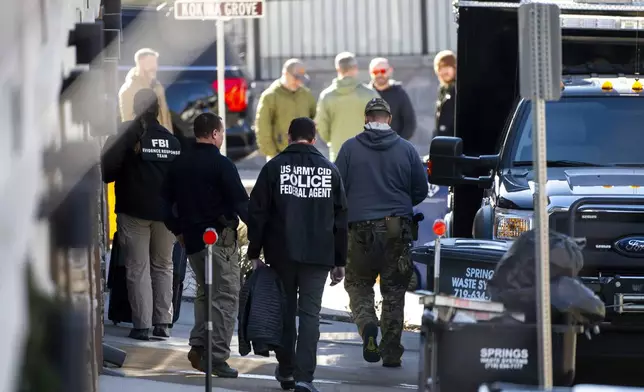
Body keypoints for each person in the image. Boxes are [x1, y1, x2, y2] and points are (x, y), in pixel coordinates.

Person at [247, 117, 348, 392]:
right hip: (319, 256)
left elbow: (257, 214)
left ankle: (287, 371)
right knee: (310, 315)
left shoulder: (273, 168)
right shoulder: (330, 171)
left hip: (282, 254)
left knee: (285, 311)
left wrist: (254, 252)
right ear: (314, 139)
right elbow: (340, 220)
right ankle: (305, 378)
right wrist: (340, 261)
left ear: (289, 137)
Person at [334, 98, 428, 368]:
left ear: (366, 119)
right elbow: (420, 189)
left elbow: (336, 189)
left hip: (360, 229)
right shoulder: (407, 150)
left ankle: (367, 326)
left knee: (358, 283)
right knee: (394, 290)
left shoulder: (349, 149)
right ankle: (391, 352)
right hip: (397, 228)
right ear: (388, 119)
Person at [162, 112, 249, 378]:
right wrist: (262, 233)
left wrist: (178, 231)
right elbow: (241, 203)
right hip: (220, 242)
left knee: (205, 293)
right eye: (221, 133)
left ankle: (199, 347)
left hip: (193, 242)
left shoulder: (179, 163)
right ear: (214, 134)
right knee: (224, 297)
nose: (222, 137)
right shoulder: (221, 165)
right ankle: (217, 357)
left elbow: (164, 204)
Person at [101, 89, 182, 340]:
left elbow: (107, 170)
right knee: (163, 266)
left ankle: (142, 326)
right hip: (166, 215)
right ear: (158, 110)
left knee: (138, 267)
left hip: (133, 210)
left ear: (135, 108)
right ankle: (163, 323)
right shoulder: (171, 139)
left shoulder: (125, 133)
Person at [315, 52, 379, 161]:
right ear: (355, 68)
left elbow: (321, 126)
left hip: (338, 151)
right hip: (366, 151)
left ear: (338, 69)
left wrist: (332, 140)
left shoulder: (326, 96)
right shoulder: (370, 94)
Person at [255, 58, 317, 161]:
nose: (298, 82)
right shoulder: (270, 96)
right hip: (279, 154)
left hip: (304, 154)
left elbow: (315, 118)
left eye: (301, 78)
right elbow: (262, 126)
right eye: (296, 77)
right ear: (285, 73)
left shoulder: (306, 95)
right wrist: (272, 153)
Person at [119, 48, 173, 132]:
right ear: (140, 62)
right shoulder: (129, 89)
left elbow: (165, 116)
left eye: (156, 62)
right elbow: (128, 122)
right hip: (144, 140)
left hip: (163, 139)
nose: (155, 67)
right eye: (151, 62)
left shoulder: (158, 87)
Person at [368, 57, 417, 140]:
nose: (379, 75)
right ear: (370, 73)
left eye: (383, 71)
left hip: (394, 146)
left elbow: (409, 122)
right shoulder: (366, 94)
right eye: (375, 72)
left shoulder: (399, 93)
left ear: (390, 70)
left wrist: (399, 143)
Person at [433, 50, 457, 138]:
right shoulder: (442, 89)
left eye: (447, 66)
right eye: (440, 68)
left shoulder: (458, 89)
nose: (444, 71)